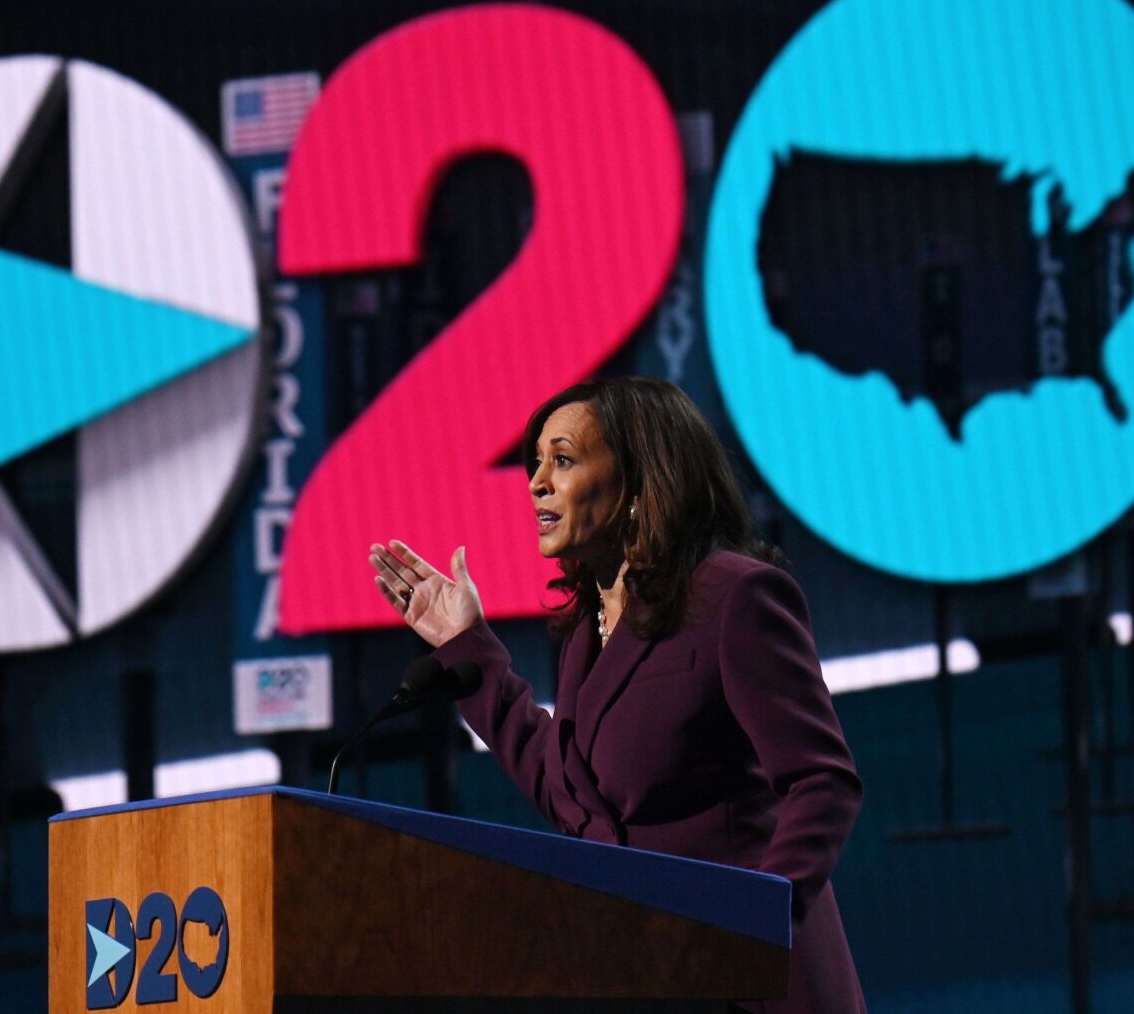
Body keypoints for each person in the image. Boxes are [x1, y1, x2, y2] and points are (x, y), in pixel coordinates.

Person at [367, 377, 865, 1014]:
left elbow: (822, 782)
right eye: (537, 463)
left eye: (564, 460)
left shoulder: (734, 598)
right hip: (647, 974)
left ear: (638, 481)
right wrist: (468, 646)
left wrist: (753, 926)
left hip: (750, 984)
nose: (537, 482)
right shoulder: (585, 633)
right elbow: (573, 797)